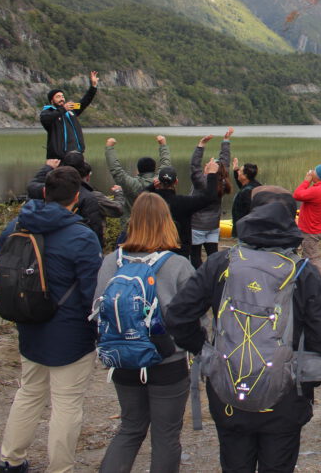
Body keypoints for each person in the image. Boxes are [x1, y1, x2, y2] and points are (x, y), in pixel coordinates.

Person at [165, 187, 321, 473]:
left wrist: (206, 353)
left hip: (228, 386)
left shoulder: (221, 262)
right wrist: (305, 385)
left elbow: (178, 317)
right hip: (286, 395)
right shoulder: (303, 271)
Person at [0, 167, 102, 473]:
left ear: (44, 192)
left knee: (29, 393)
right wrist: (97, 329)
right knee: (67, 404)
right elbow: (91, 293)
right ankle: (60, 468)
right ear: (76, 199)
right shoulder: (82, 237)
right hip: (70, 333)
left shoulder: (15, 226)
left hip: (29, 322)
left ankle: (11, 459)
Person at [95, 193, 196, 473]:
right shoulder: (178, 265)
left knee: (130, 428)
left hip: (123, 356)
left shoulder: (109, 262)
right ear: (167, 222)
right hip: (168, 360)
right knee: (165, 436)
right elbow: (193, 318)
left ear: (133, 221)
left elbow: (97, 308)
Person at [27, 152, 109, 250]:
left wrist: (48, 168)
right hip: (76, 249)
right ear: (75, 197)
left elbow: (32, 187)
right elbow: (95, 234)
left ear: (44, 193)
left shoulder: (23, 222)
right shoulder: (88, 197)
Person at [149, 163, 219, 263]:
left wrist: (151, 186)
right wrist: (212, 174)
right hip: (179, 251)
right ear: (176, 182)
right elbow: (210, 198)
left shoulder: (151, 201)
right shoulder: (184, 202)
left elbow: (139, 197)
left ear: (158, 182)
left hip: (155, 249)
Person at [105, 135, 172, 236]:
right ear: (154, 169)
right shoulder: (159, 181)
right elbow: (166, 162)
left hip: (131, 230)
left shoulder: (131, 184)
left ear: (138, 170)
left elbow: (116, 170)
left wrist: (109, 148)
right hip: (156, 230)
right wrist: (163, 144)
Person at [189, 130, 232, 268]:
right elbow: (225, 162)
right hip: (213, 225)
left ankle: (199, 278)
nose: (208, 163)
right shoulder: (223, 182)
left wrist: (201, 145)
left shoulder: (202, 182)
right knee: (213, 255)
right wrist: (225, 141)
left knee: (195, 255)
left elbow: (194, 166)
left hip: (197, 225)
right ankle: (215, 277)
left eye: (210, 163)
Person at [293, 163, 321, 285]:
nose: (311, 173)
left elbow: (297, 195)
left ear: (318, 176)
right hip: (312, 228)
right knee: (307, 256)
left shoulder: (318, 190)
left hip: (310, 231)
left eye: (314, 171)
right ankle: (305, 281)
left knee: (313, 259)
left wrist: (306, 181)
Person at [40, 71, 99, 160]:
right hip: (59, 157)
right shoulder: (47, 111)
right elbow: (46, 119)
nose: (62, 99)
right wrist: (63, 109)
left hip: (77, 154)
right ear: (52, 101)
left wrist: (93, 87)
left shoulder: (71, 110)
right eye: (58, 97)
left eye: (62, 96)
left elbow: (84, 102)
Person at [230, 158, 261, 225]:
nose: (238, 172)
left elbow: (250, 212)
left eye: (240, 171)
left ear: (245, 176)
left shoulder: (247, 192)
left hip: (245, 230)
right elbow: (243, 185)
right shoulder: (255, 185)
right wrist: (236, 170)